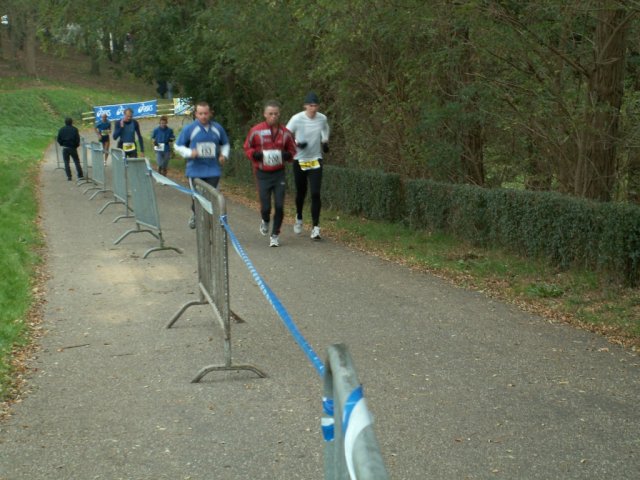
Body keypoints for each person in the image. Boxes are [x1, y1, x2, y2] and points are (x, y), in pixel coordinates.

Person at [243, 100, 297, 247]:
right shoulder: (256, 130)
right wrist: (255, 154)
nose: (273, 116)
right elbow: (247, 147)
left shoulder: (285, 132)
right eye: (270, 114)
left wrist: (288, 155)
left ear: (279, 114)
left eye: (276, 114)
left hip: (278, 173)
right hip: (262, 173)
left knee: (279, 205)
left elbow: (293, 150)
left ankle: (275, 235)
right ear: (265, 114)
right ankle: (265, 220)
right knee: (265, 206)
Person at [174, 101, 230, 229]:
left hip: (213, 169)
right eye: (200, 113)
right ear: (196, 114)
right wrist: (189, 152)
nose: (203, 116)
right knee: (198, 198)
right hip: (195, 170)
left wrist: (223, 155)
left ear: (210, 113)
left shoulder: (217, 128)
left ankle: (211, 222)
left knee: (211, 196)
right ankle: (195, 213)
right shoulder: (190, 129)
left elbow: (225, 144)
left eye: (205, 113)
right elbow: (177, 146)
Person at [286, 92, 330, 240]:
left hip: (315, 159)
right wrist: (297, 144)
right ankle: (299, 216)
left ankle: (316, 227)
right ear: (305, 106)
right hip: (300, 160)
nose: (313, 108)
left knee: (316, 193)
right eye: (311, 105)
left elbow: (325, 128)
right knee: (301, 192)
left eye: (316, 105)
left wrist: (325, 141)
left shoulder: (322, 118)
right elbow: (285, 135)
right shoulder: (296, 119)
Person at [56, 117, 84, 181]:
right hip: (72, 147)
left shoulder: (61, 129)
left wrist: (62, 144)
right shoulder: (75, 129)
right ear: (72, 122)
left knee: (66, 162)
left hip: (65, 147)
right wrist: (76, 145)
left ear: (65, 122)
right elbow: (77, 139)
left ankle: (69, 176)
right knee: (76, 161)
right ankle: (80, 175)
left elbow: (58, 139)